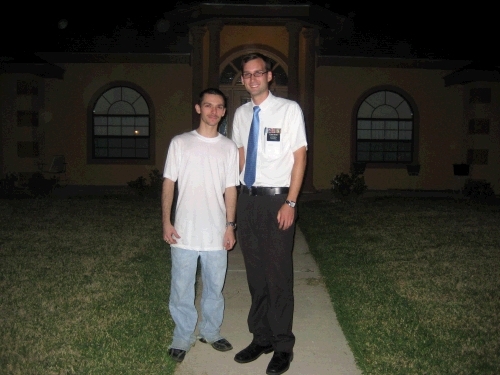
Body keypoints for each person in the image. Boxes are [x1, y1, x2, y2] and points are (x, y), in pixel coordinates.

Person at [231, 53, 307, 375]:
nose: (252, 79)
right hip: (247, 201)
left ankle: (282, 345)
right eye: (247, 75)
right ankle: (260, 337)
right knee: (255, 275)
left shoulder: (289, 110)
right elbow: (239, 157)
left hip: (277, 202)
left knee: (278, 277)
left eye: (258, 73)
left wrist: (290, 203)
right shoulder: (239, 114)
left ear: (269, 76)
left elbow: (300, 158)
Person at [162, 88, 239, 363]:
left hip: (216, 233)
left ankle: (210, 331)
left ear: (224, 111)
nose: (213, 111)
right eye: (208, 105)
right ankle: (182, 336)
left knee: (214, 288)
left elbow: (231, 189)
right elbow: (169, 183)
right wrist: (166, 221)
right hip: (183, 231)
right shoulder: (180, 143)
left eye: (219, 107)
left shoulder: (228, 147)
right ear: (198, 108)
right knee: (181, 288)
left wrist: (230, 226)